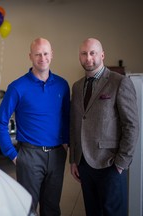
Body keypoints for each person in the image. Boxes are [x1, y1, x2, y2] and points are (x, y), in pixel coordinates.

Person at [0, 37, 70, 216]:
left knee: (52, 207)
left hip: (57, 154)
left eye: (45, 53)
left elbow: (67, 117)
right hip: (30, 155)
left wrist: (66, 144)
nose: (42, 58)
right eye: (37, 54)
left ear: (52, 55)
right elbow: (0, 122)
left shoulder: (62, 85)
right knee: (27, 208)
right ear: (30, 56)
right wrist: (12, 154)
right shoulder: (17, 87)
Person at [69, 38, 139, 216]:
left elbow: (131, 125)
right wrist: (73, 160)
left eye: (92, 53)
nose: (88, 58)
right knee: (93, 212)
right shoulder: (77, 87)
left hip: (110, 164)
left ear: (102, 55)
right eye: (84, 53)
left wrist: (121, 163)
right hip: (84, 164)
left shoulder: (119, 82)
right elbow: (76, 123)